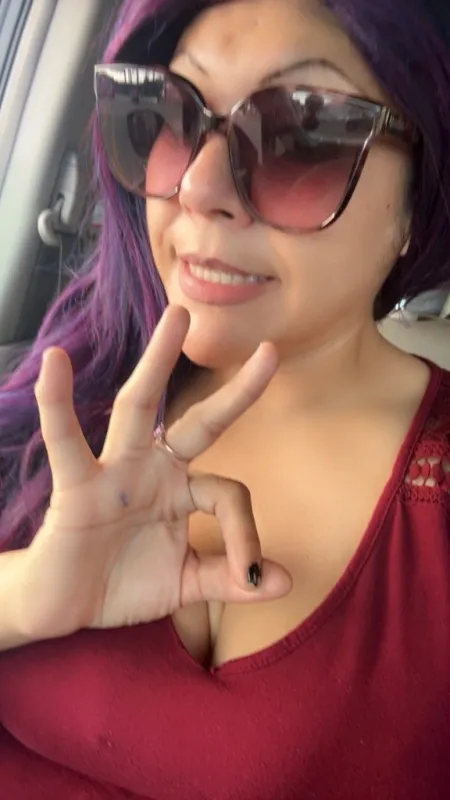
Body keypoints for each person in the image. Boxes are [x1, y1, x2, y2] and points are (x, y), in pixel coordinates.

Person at [0, 0, 449, 796]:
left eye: (303, 134)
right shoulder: (69, 386)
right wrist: (29, 594)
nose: (199, 187)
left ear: (420, 198)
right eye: (170, 116)